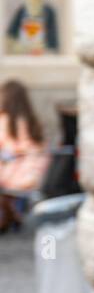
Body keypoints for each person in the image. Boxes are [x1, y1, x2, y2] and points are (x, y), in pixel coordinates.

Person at [0, 80, 51, 232]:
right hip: (36, 176)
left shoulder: (5, 121)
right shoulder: (33, 121)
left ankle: (11, 217)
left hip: (13, 176)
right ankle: (13, 216)